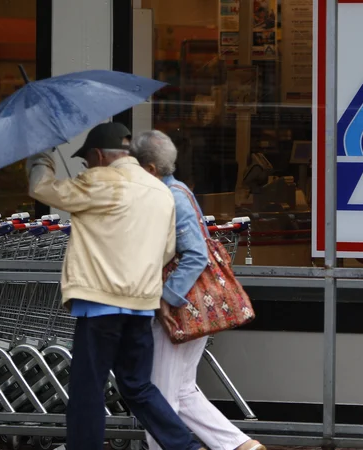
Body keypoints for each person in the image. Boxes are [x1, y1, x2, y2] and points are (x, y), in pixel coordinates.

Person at [26, 123, 205, 450]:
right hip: (142, 304)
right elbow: (166, 250)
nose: (86, 167)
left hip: (100, 304)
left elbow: (42, 188)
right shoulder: (160, 190)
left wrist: (42, 155)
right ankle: (185, 447)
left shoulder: (98, 181)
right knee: (138, 386)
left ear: (97, 155)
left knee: (87, 390)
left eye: (86, 161)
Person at [130, 130, 265, 450]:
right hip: (194, 303)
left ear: (149, 169)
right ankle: (239, 446)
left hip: (183, 304)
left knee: (161, 394)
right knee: (182, 389)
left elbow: (195, 254)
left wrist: (166, 298)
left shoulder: (171, 196)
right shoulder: (177, 192)